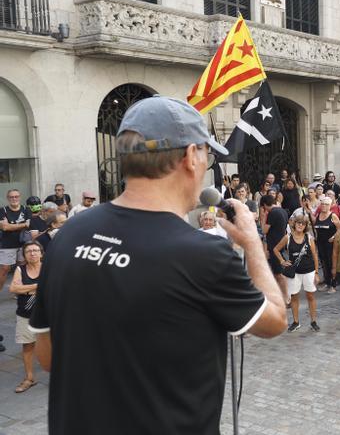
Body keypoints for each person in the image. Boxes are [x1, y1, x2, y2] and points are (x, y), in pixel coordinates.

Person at [27, 96, 286, 432]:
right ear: (191, 156)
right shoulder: (201, 254)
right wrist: (252, 242)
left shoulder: (67, 234)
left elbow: (47, 358)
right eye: (207, 154)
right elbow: (275, 320)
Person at [275, 213, 321, 332]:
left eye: (303, 223)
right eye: (299, 222)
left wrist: (316, 272)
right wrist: (282, 261)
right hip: (294, 272)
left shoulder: (309, 237)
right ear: (294, 224)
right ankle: (296, 322)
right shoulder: (288, 237)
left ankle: (313, 321)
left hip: (309, 271)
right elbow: (275, 249)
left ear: (306, 225)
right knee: (294, 296)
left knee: (310, 296)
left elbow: (315, 255)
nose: (300, 225)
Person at [9, 241, 42, 393]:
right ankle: (30, 377)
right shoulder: (20, 269)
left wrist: (25, 290)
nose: (32, 253)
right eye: (28, 251)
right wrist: (37, 286)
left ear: (41, 253)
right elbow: (14, 288)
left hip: (48, 315)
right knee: (28, 346)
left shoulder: (49, 268)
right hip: (26, 315)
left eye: (35, 250)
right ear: (24, 255)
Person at [260, 194, 290, 299]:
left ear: (264, 205)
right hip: (279, 244)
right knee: (276, 272)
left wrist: (263, 217)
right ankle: (282, 295)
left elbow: (264, 230)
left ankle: (286, 297)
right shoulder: (282, 211)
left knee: (279, 274)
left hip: (275, 246)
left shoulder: (272, 213)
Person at [314, 197, 340, 293]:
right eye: (322, 204)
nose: (324, 206)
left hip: (331, 244)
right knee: (324, 263)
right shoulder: (318, 215)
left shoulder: (333, 216)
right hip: (320, 243)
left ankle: (333, 284)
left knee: (331, 263)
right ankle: (327, 282)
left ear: (330, 206)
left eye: (326, 204)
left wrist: (333, 237)